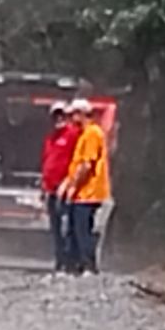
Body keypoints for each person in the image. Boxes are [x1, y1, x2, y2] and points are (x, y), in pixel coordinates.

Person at [61, 98, 111, 274]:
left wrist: (73, 186)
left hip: (88, 192)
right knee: (75, 228)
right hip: (82, 192)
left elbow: (86, 165)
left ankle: (89, 266)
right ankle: (78, 266)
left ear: (82, 114)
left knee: (83, 230)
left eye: (73, 114)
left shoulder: (92, 134)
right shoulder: (84, 134)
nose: (71, 118)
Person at [38, 101, 79, 272]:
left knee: (66, 227)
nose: (59, 118)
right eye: (55, 115)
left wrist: (69, 183)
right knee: (55, 228)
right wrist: (43, 186)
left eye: (62, 115)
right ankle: (59, 261)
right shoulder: (50, 139)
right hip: (51, 189)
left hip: (65, 189)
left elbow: (78, 161)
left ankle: (70, 263)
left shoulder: (73, 135)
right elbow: (47, 162)